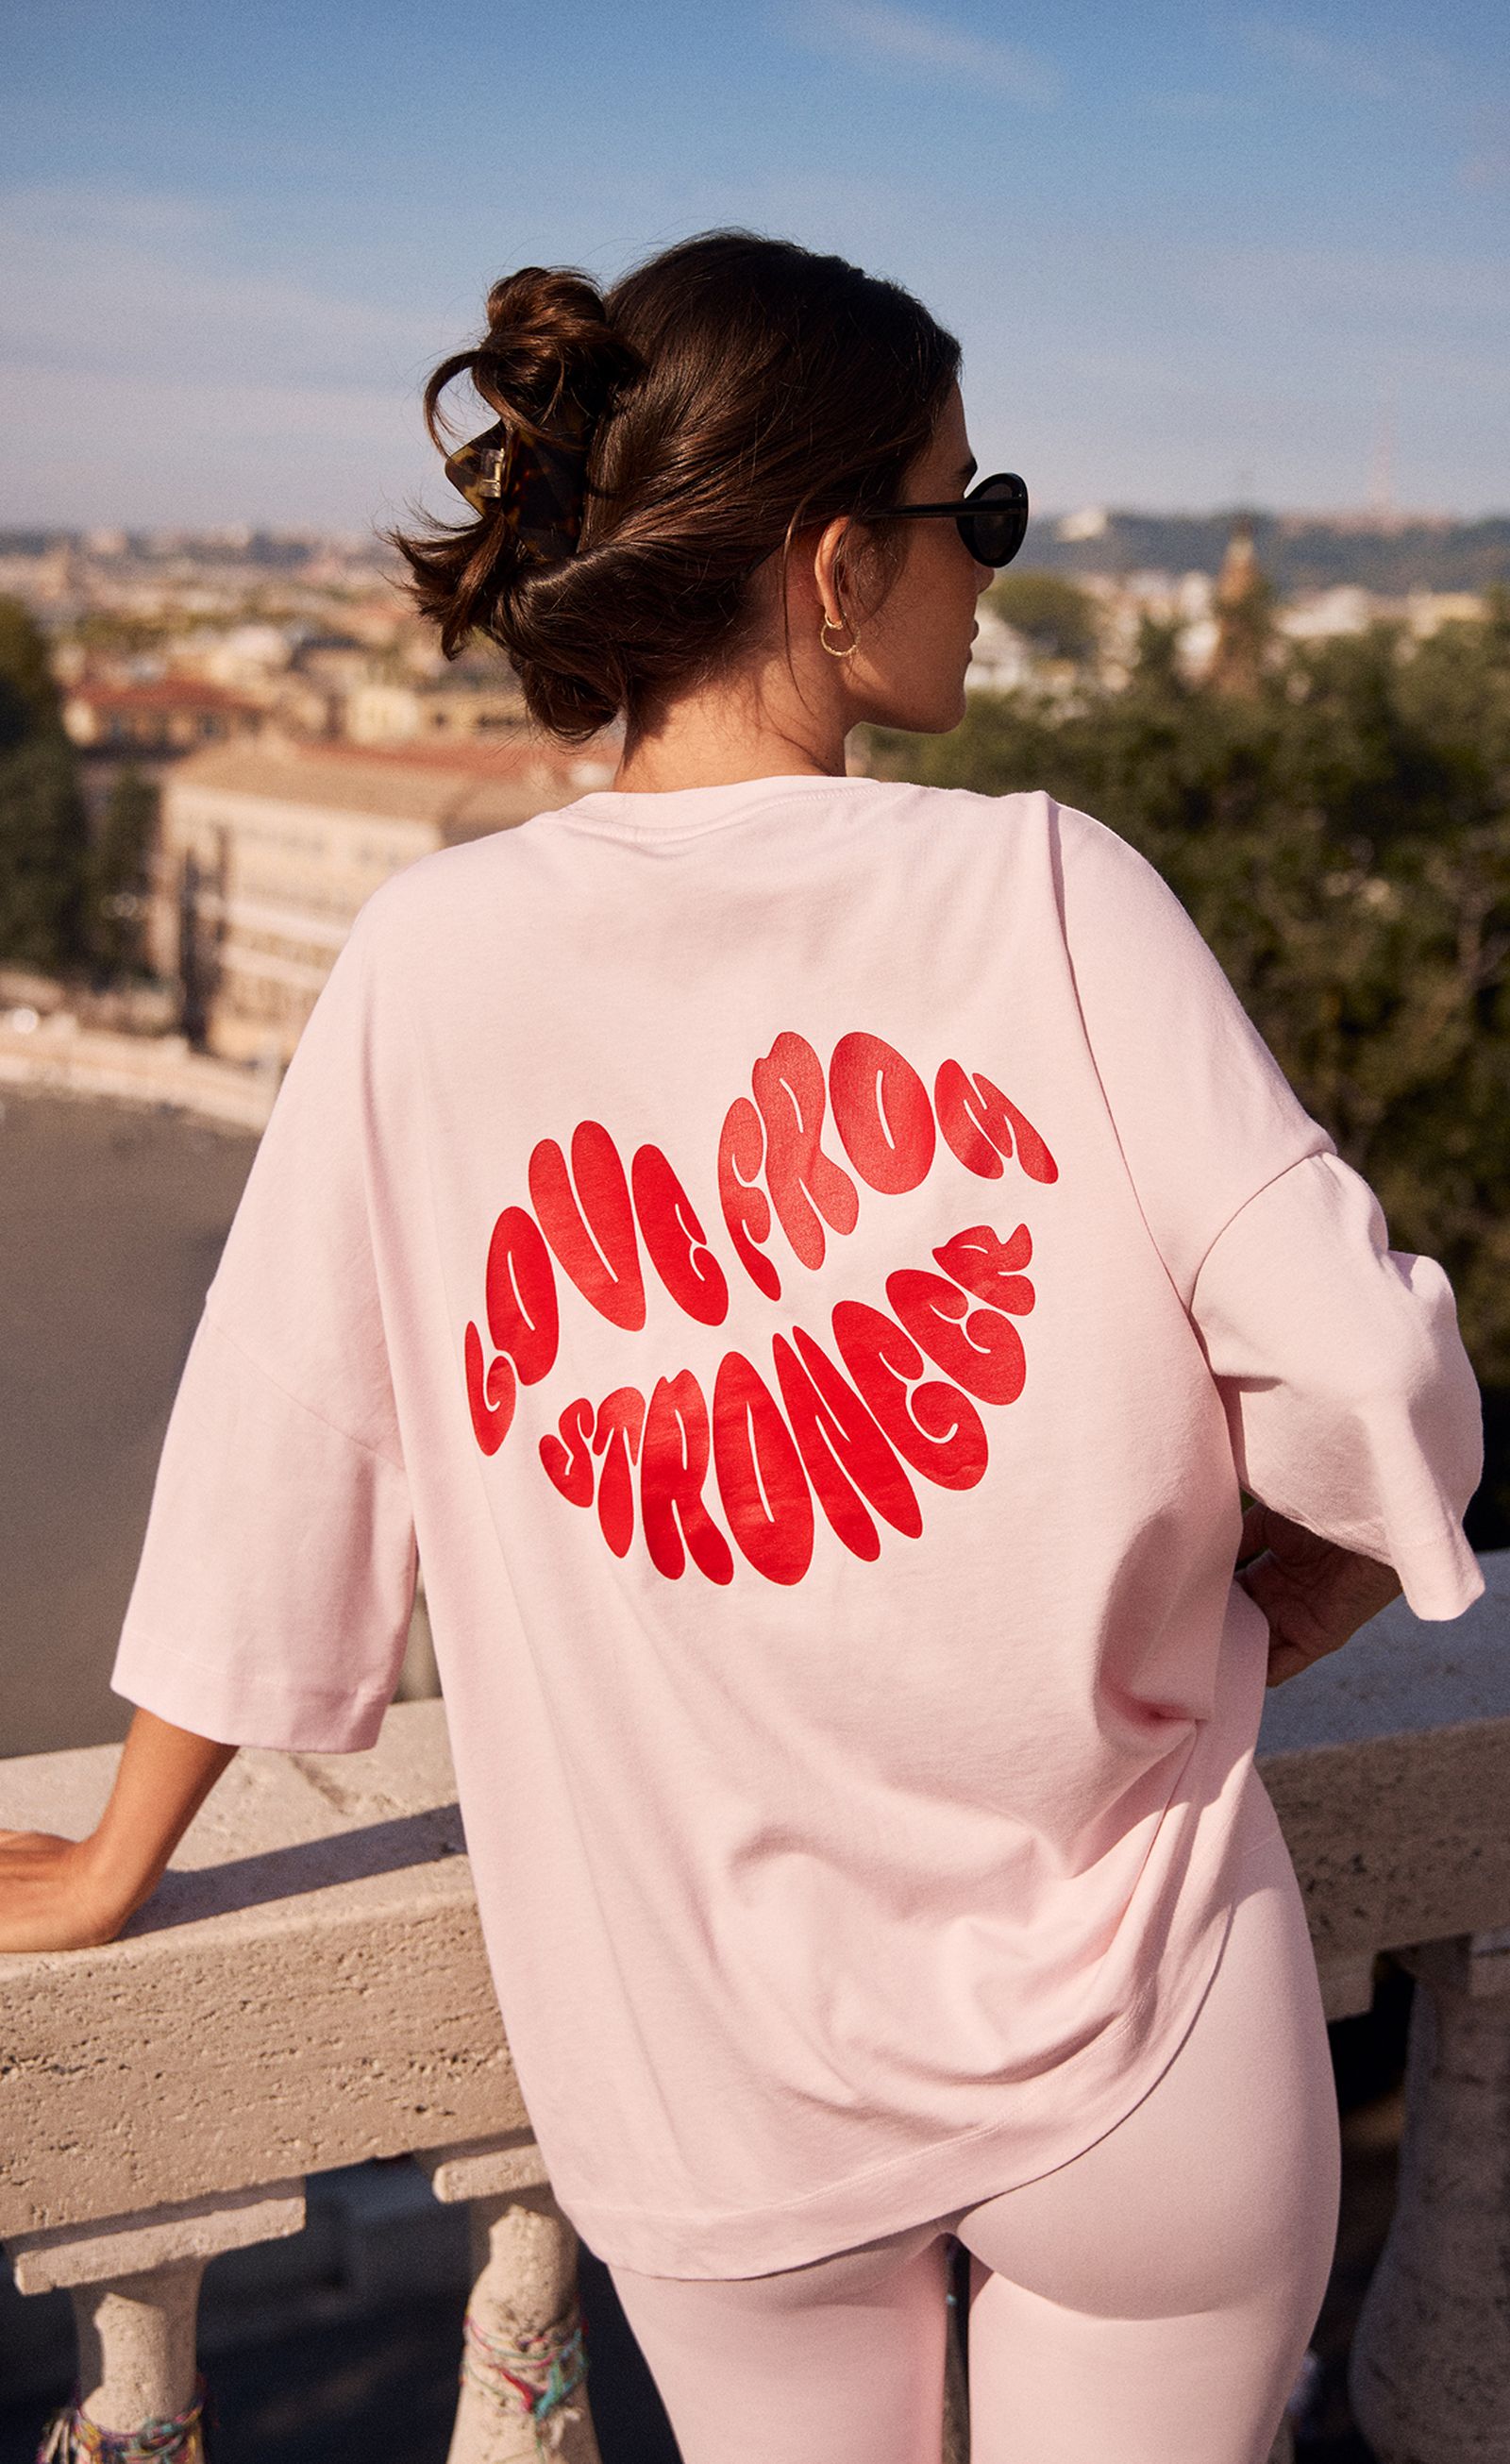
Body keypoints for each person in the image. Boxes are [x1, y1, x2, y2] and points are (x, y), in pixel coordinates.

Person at [0, 230, 1485, 2464]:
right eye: (965, 515)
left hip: (709, 2083)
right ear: (823, 564)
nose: (993, 567)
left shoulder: (432, 963)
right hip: (1151, 2021)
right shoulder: (1051, 893)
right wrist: (1304, 1595)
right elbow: (1368, 1391)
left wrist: (125, 1857)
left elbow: (282, 1456)